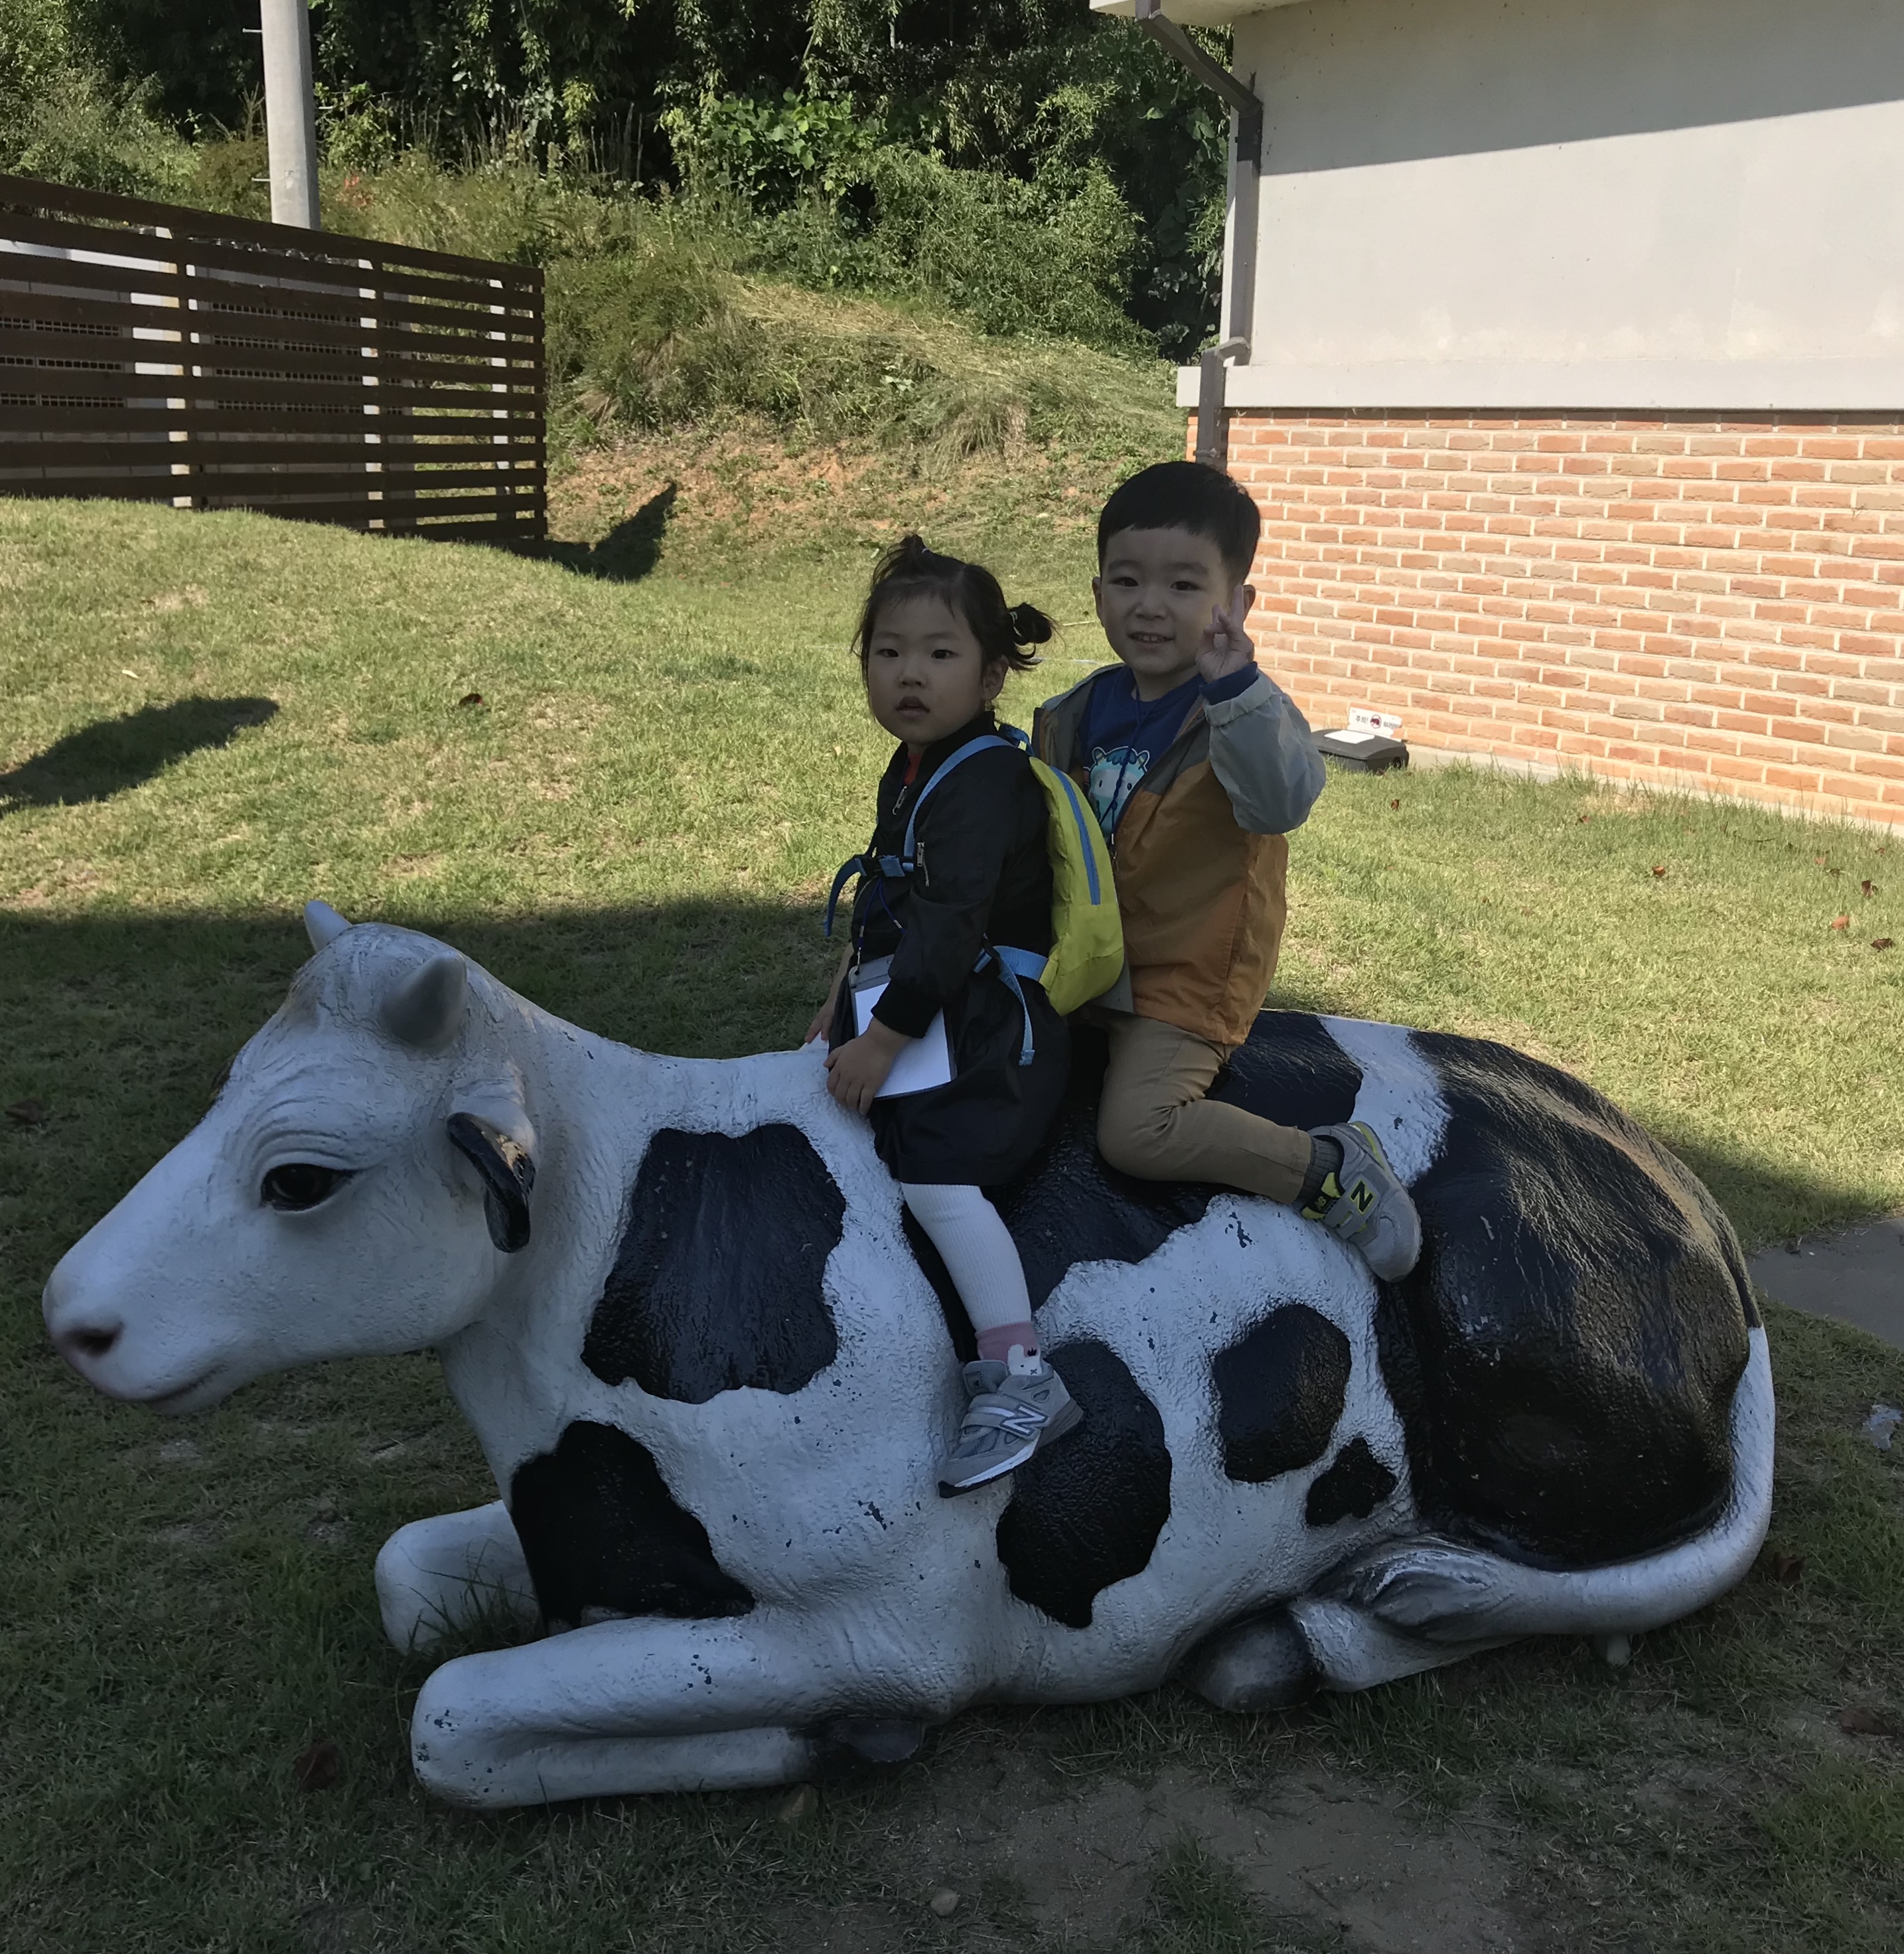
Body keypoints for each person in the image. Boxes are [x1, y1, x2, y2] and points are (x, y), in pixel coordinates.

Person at [1032, 461, 1422, 1278]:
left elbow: (1282, 800)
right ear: (1097, 593)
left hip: (1185, 977)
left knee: (1136, 1133)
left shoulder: (1244, 711)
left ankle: (1323, 1167)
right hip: (1087, 965)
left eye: (1183, 585)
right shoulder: (1074, 713)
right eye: (1127, 580)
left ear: (1237, 604)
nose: (1149, 605)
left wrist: (1235, 691)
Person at [809, 535, 1080, 1493]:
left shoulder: (986, 781)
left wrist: (882, 1042)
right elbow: (894, 908)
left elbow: (952, 928)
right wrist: (837, 1010)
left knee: (935, 1177)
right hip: (939, 1002)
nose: (909, 674)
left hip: (994, 1031)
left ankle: (1020, 1374)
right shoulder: (919, 765)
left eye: (938, 653)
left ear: (992, 675)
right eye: (887, 652)